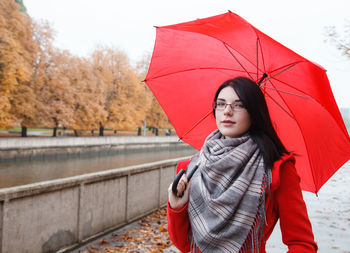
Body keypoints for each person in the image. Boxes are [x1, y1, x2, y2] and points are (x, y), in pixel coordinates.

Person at [167, 77, 318, 253]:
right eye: (221, 104)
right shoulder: (191, 167)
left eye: (239, 105)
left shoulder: (277, 169)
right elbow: (185, 245)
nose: (227, 112)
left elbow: (302, 243)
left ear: (254, 113)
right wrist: (176, 207)